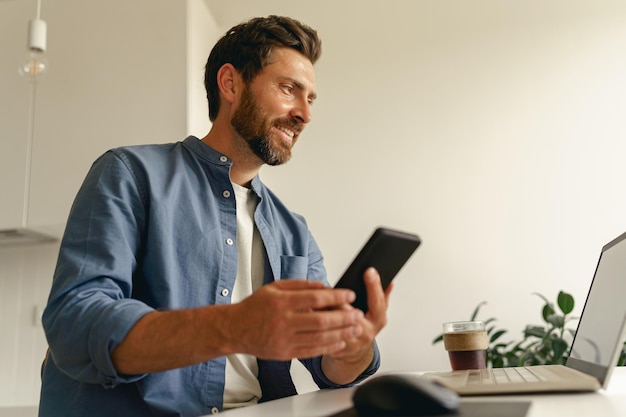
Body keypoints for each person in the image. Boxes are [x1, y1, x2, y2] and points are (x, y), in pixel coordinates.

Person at [39, 15, 391, 417]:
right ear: (231, 84)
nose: (304, 114)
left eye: (310, 99)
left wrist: (352, 344)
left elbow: (330, 369)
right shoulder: (129, 174)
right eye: (289, 88)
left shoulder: (294, 231)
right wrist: (231, 326)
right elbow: (75, 324)